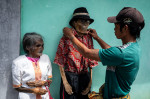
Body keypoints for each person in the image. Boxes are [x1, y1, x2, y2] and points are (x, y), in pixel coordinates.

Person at [63, 7, 145, 99]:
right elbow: (112, 53)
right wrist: (97, 38)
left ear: (125, 28)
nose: (114, 28)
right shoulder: (134, 48)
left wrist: (71, 36)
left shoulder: (121, 53)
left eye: (116, 25)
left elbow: (87, 53)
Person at [54, 7, 98, 99]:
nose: (86, 24)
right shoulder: (67, 37)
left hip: (85, 77)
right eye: (82, 21)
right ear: (74, 22)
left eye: (87, 21)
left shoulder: (89, 37)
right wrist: (65, 83)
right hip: (70, 77)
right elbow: (60, 60)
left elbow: (91, 61)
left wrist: (90, 83)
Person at [12, 32, 53, 99]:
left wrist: (43, 83)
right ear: (28, 47)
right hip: (27, 96)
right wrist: (33, 90)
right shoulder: (18, 62)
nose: (41, 48)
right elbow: (17, 87)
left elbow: (49, 79)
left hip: (44, 96)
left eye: (42, 45)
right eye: (38, 46)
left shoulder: (45, 58)